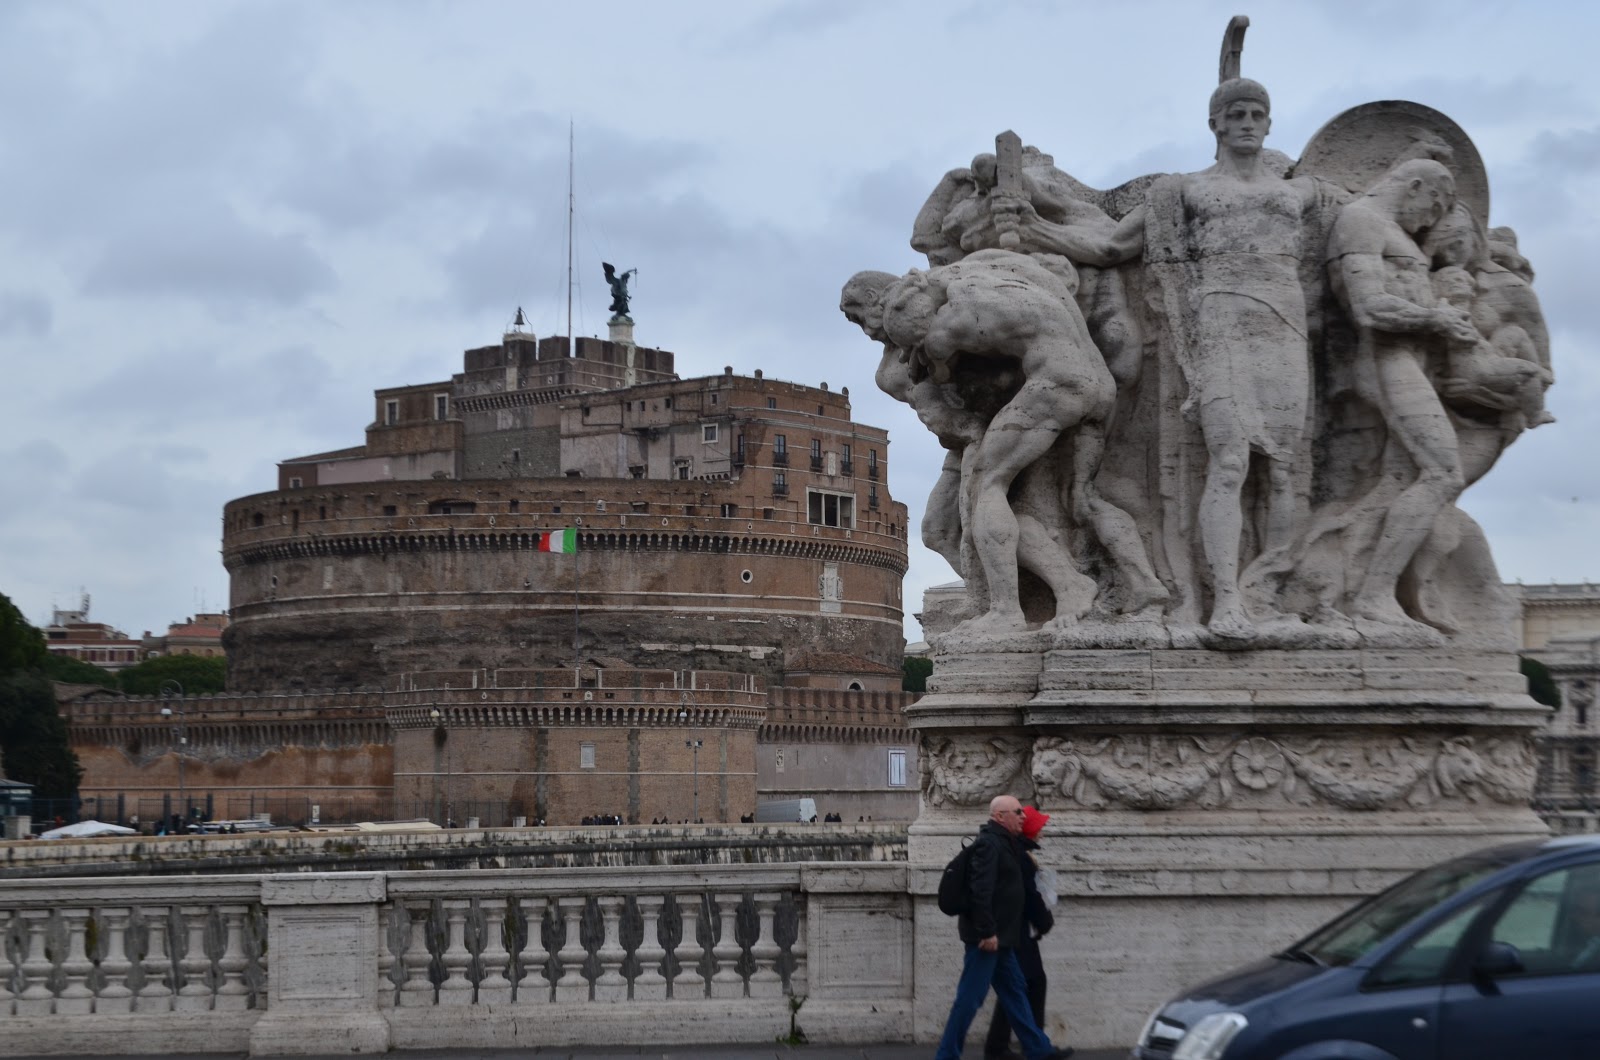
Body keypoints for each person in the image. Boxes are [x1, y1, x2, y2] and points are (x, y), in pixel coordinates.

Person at [1326, 159, 1470, 630]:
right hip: (1385, 360)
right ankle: (1373, 596)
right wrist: (1434, 319)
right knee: (1444, 471)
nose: (1432, 219)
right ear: (1414, 186)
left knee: (1402, 481)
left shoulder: (1393, 230)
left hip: (1412, 361)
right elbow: (1367, 306)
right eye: (1435, 206)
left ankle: (1360, 585)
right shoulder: (1361, 220)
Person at [935, 794, 1073, 1060]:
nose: (1023, 816)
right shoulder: (990, 844)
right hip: (987, 939)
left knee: (1016, 993)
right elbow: (981, 890)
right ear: (1000, 816)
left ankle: (1038, 1049)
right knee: (969, 999)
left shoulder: (1004, 843)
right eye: (1017, 811)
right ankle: (946, 1055)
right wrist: (986, 932)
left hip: (1003, 938)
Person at [984, 806, 1055, 1060]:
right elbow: (1029, 896)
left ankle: (1018, 1045)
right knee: (1027, 984)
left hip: (1014, 929)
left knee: (1019, 985)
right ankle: (1030, 1046)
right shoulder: (1023, 858)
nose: (1043, 834)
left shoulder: (1019, 853)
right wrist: (1044, 920)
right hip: (1017, 931)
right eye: (1040, 828)